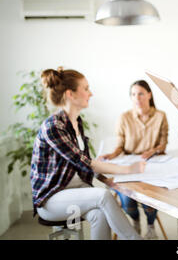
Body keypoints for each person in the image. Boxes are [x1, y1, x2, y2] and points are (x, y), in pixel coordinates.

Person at [31, 67, 145, 240]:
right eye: (86, 88)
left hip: (74, 191)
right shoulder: (54, 126)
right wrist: (129, 169)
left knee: (99, 215)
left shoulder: (76, 121)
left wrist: (107, 174)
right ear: (71, 94)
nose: (90, 93)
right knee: (103, 196)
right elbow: (83, 162)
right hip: (51, 199)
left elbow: (85, 163)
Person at [101, 80, 168, 239]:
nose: (136, 98)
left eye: (140, 93)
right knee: (127, 198)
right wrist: (110, 155)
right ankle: (135, 221)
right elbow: (120, 145)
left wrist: (153, 151)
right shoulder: (124, 117)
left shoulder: (160, 116)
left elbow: (163, 144)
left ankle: (151, 226)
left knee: (150, 196)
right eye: (133, 94)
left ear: (149, 95)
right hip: (129, 163)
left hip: (152, 162)